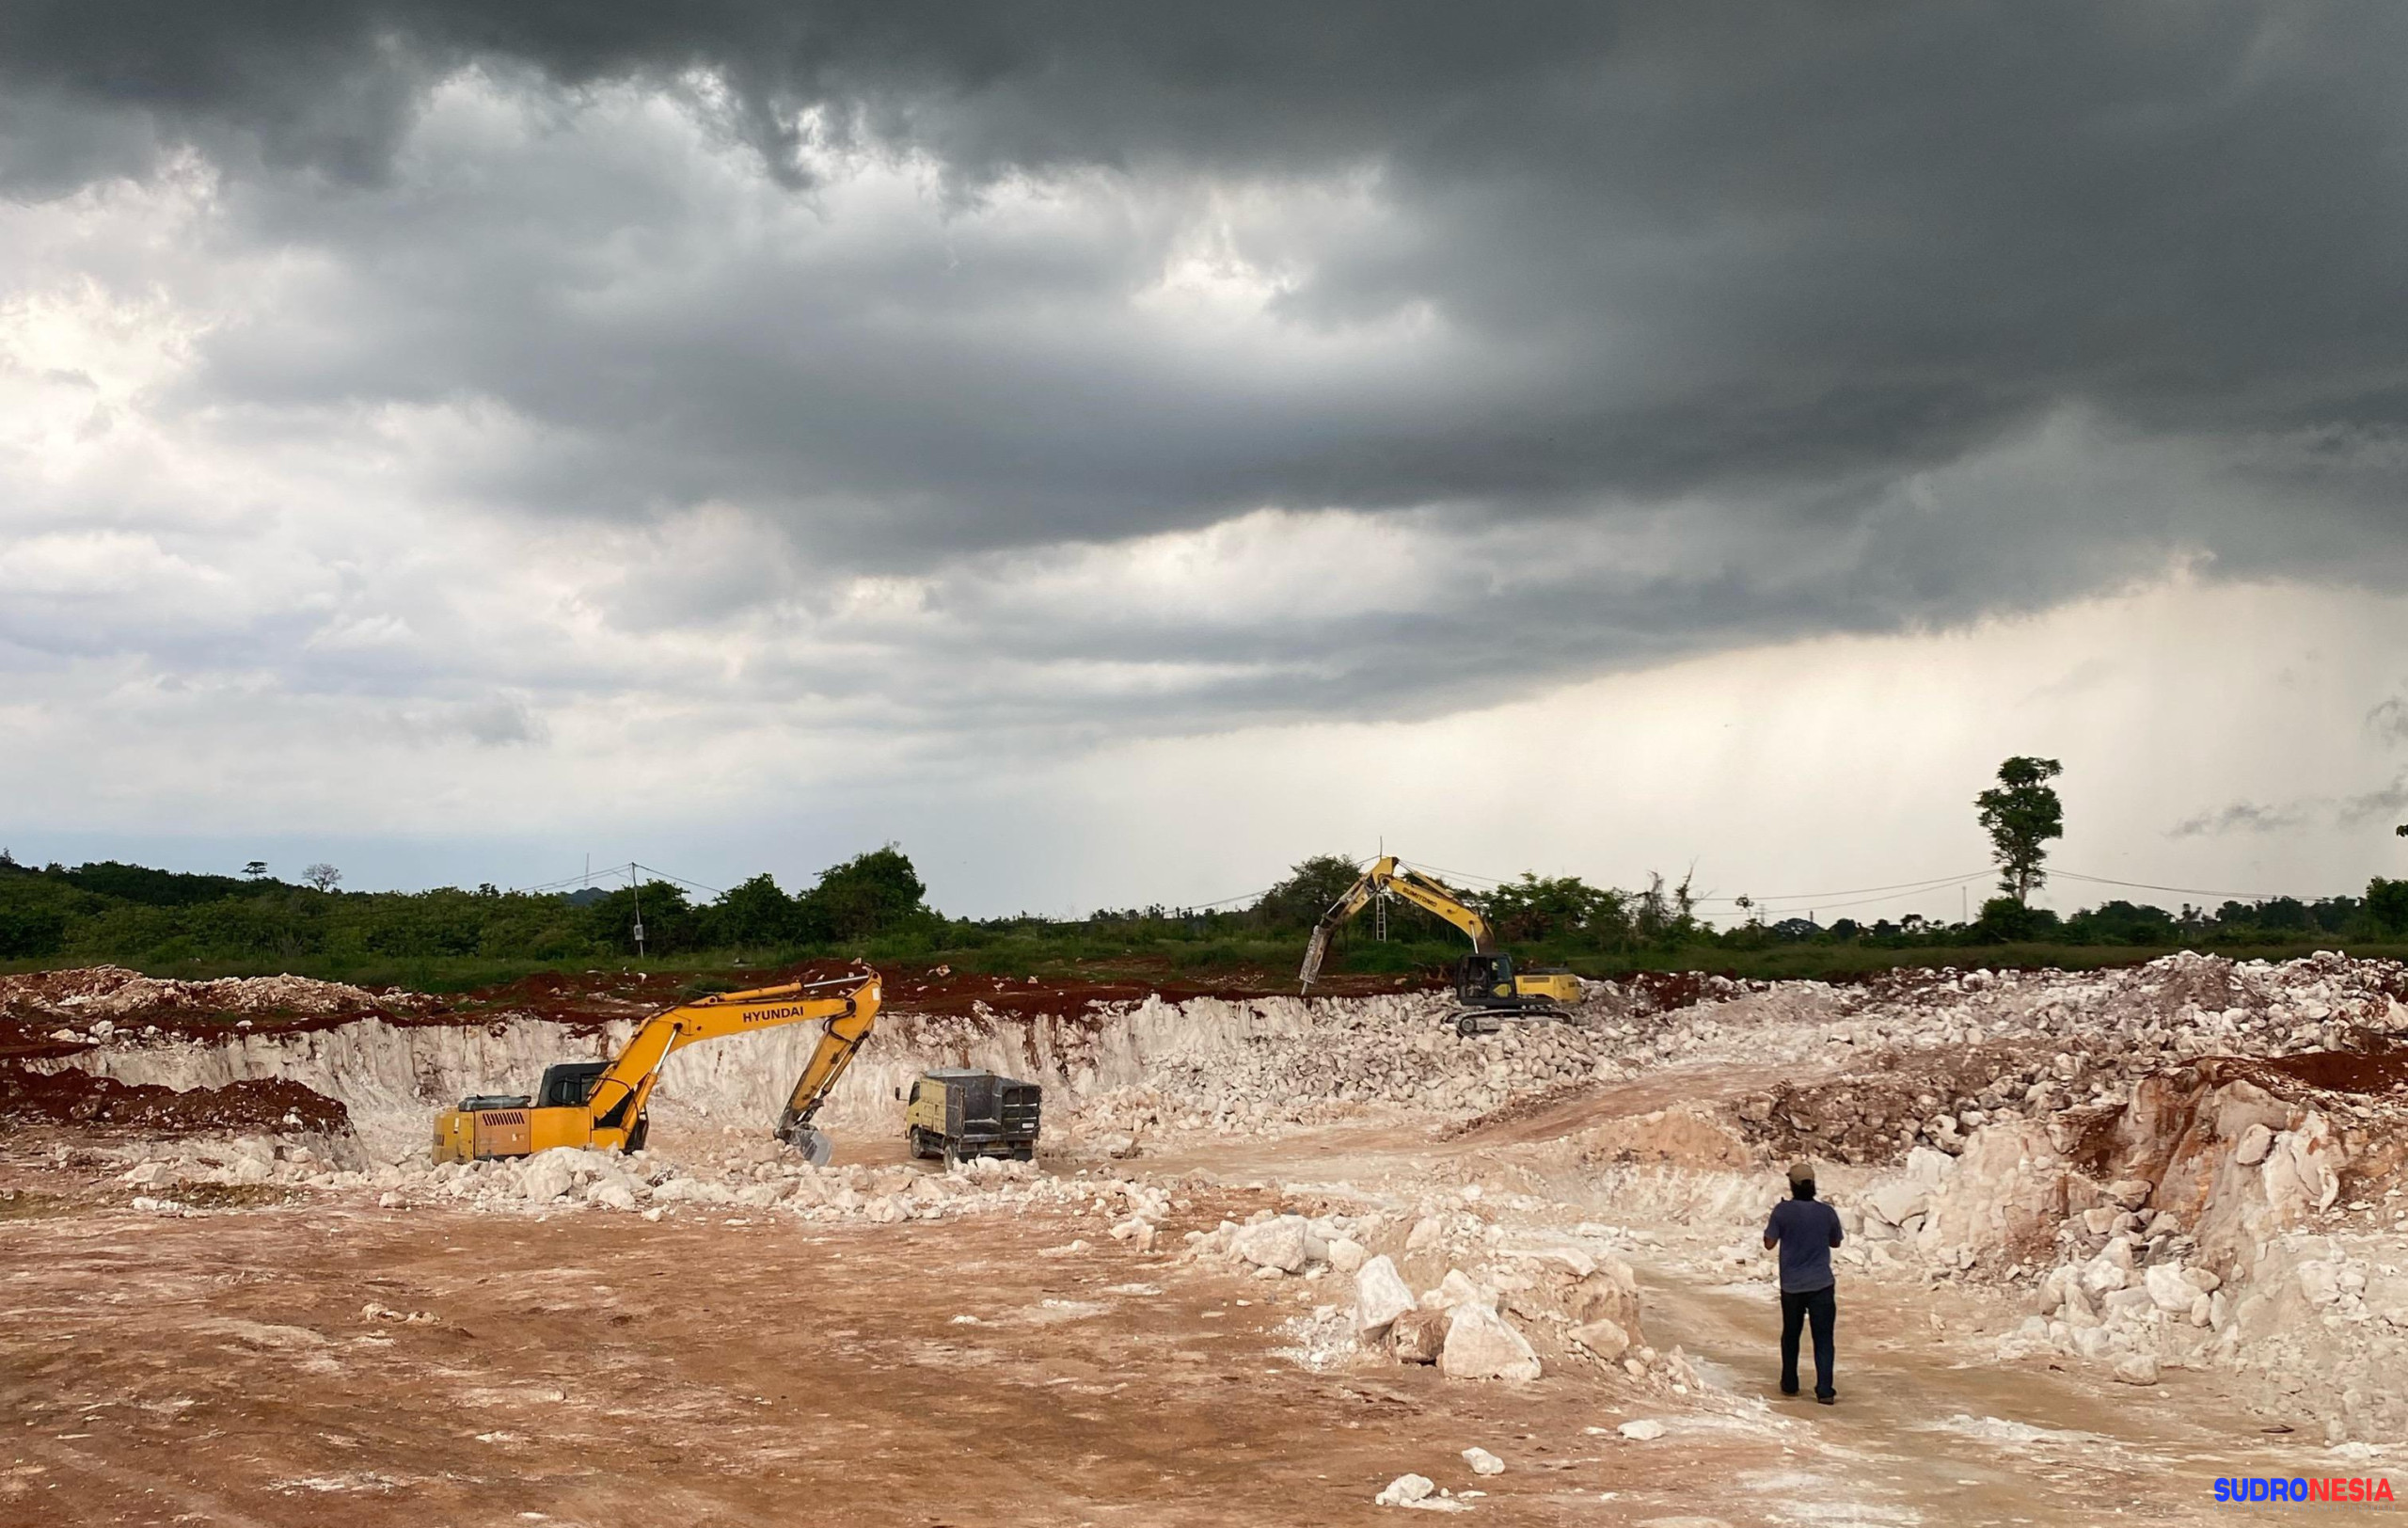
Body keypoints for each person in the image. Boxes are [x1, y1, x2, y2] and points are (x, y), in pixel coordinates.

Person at [1763, 1159, 1842, 1403]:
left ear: (1792, 1185)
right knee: (1824, 1338)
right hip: (1821, 1283)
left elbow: (1768, 1243)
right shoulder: (1827, 1212)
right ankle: (1825, 1390)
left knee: (1791, 1334)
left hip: (1792, 1285)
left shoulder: (1782, 1211)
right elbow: (1835, 1242)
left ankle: (1789, 1382)